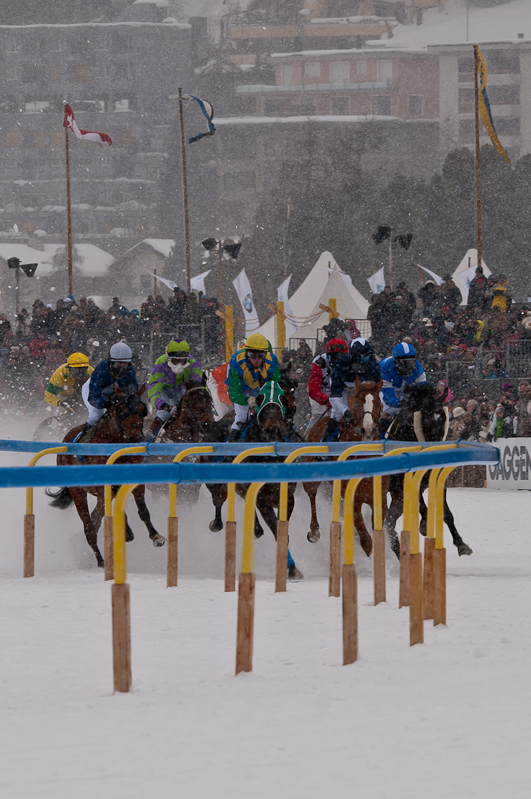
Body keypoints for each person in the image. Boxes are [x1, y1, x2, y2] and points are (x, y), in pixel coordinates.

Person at [78, 340, 138, 440]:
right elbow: (93, 397)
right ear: (110, 363)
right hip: (92, 390)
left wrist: (126, 397)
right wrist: (106, 403)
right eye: (118, 365)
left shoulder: (130, 371)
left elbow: (133, 389)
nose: (121, 368)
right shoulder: (101, 369)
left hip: (113, 392)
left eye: (124, 365)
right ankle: (81, 440)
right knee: (96, 415)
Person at [323, 338, 381, 439]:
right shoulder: (340, 365)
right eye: (359, 358)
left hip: (364, 390)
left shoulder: (374, 365)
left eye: (365, 357)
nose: (363, 362)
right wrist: (345, 411)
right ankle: (324, 445)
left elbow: (378, 390)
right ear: (352, 357)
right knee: (337, 415)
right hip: (344, 389)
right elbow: (334, 398)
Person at [226, 333, 280, 440]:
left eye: (260, 356)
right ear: (246, 353)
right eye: (252, 355)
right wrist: (247, 400)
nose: (256, 359)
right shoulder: (236, 362)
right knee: (241, 416)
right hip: (242, 389)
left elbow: (275, 386)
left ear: (266, 354)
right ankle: (230, 451)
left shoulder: (272, 362)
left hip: (261, 388)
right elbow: (233, 393)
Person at [147, 339, 204, 433]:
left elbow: (199, 387)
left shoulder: (194, 364)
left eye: (183, 361)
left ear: (187, 359)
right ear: (168, 358)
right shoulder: (160, 363)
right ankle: (151, 434)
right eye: (175, 361)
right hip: (164, 389)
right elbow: (153, 390)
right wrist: (165, 406)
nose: (179, 365)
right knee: (163, 414)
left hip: (182, 388)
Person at [379, 342, 427, 431]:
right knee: (387, 415)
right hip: (391, 390)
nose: (407, 367)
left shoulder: (418, 369)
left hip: (408, 390)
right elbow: (388, 397)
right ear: (395, 362)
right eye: (403, 363)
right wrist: (400, 403)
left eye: (410, 362)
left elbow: (423, 392)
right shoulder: (385, 367)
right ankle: (381, 439)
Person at [307, 338, 349, 430]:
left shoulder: (349, 363)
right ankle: (308, 436)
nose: (338, 361)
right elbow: (313, 390)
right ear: (328, 356)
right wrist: (326, 400)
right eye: (334, 358)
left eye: (341, 358)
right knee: (320, 413)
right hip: (321, 392)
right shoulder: (319, 364)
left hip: (338, 390)